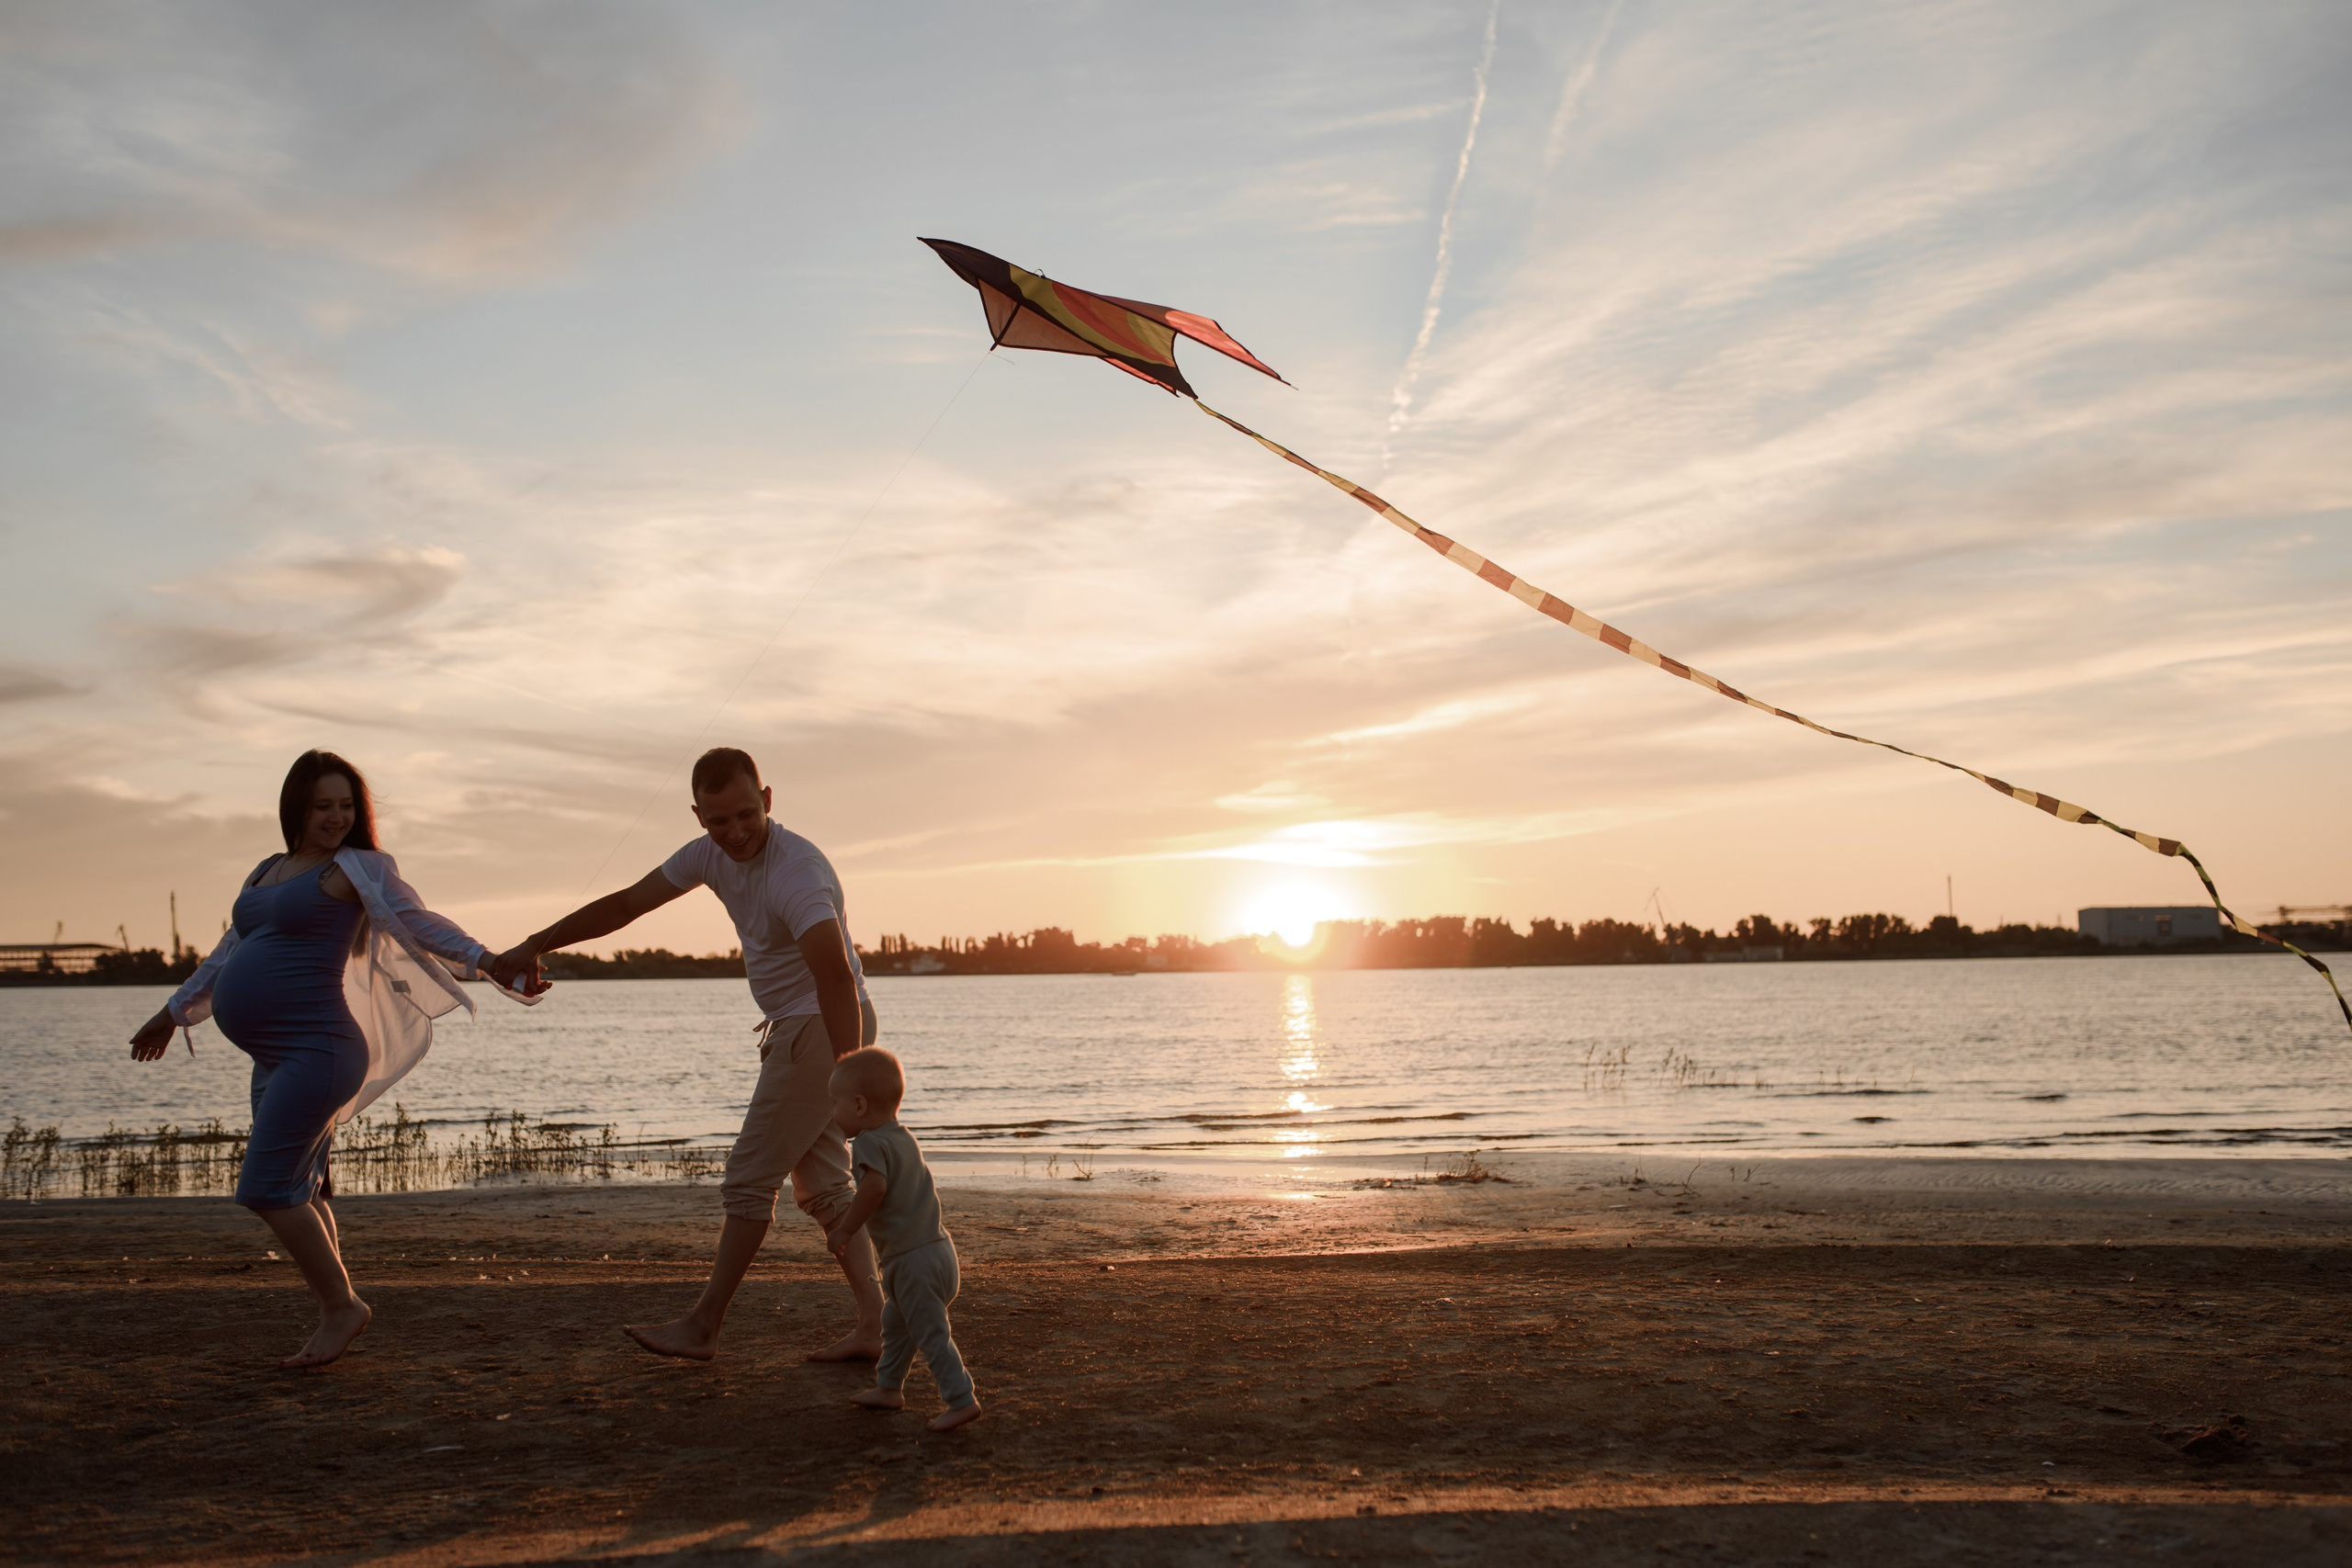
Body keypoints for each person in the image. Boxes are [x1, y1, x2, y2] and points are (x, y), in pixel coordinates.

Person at [129, 750, 529, 1368]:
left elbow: (418, 922)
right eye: (324, 805)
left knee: (266, 1187)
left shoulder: (358, 866)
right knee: (304, 1187)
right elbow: (227, 950)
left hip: (321, 1048)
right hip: (275, 1055)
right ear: (297, 807)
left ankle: (342, 1306)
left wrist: (488, 959)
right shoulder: (268, 869)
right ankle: (335, 1309)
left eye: (346, 805)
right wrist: (174, 1011)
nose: (336, 816)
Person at [488, 746, 881, 1362]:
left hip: (823, 1023)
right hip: (799, 1024)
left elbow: (834, 975)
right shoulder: (708, 855)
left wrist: (850, 1071)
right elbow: (625, 904)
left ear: (768, 800)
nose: (736, 831)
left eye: (747, 814)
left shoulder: (797, 871)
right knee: (824, 1188)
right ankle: (877, 1322)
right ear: (698, 815)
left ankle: (704, 1325)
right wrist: (537, 941)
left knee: (749, 1179)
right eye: (719, 820)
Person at [825, 1047, 979, 1431]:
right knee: (896, 1325)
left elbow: (874, 1188)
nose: (832, 1113)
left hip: (913, 1264)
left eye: (836, 1104)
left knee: (932, 1335)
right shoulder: (903, 1136)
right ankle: (888, 1387)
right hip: (938, 1253)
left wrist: (844, 1229)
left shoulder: (868, 1143)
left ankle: (961, 1399)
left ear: (859, 1106)